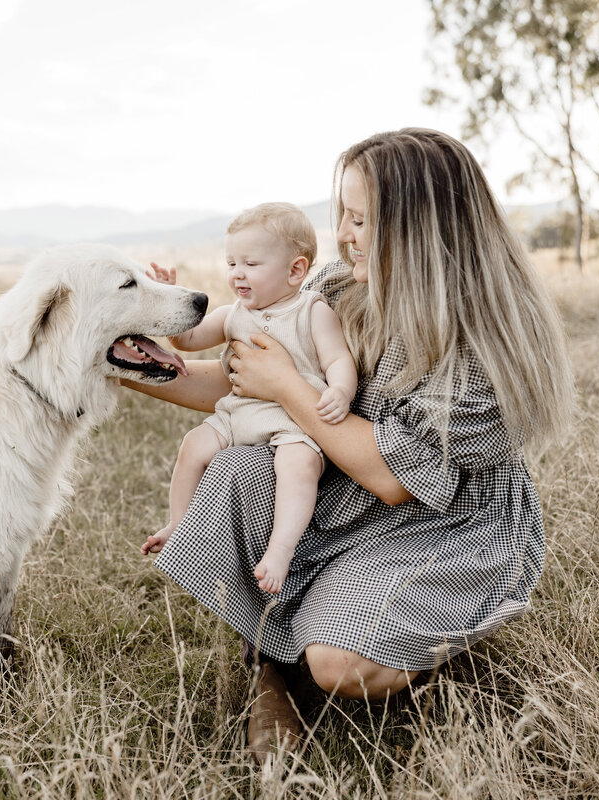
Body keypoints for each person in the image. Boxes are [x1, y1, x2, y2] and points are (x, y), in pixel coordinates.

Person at [129, 128, 573, 763]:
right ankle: (268, 660)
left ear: (421, 229)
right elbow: (242, 383)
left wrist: (285, 384)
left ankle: (422, 636)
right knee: (239, 467)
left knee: (339, 663)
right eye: (342, 214)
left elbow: (395, 478)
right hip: (348, 486)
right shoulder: (339, 286)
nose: (343, 234)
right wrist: (134, 365)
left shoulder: (483, 342)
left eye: (362, 219)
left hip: (445, 523)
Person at [141, 202, 356, 594]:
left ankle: (280, 550)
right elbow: (187, 340)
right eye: (231, 263)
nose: (237, 273)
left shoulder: (312, 311)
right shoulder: (232, 314)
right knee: (194, 444)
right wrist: (170, 296)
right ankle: (178, 522)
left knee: (299, 466)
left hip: (293, 418)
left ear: (296, 271)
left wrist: (341, 390)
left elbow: (338, 358)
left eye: (251, 264)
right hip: (239, 412)